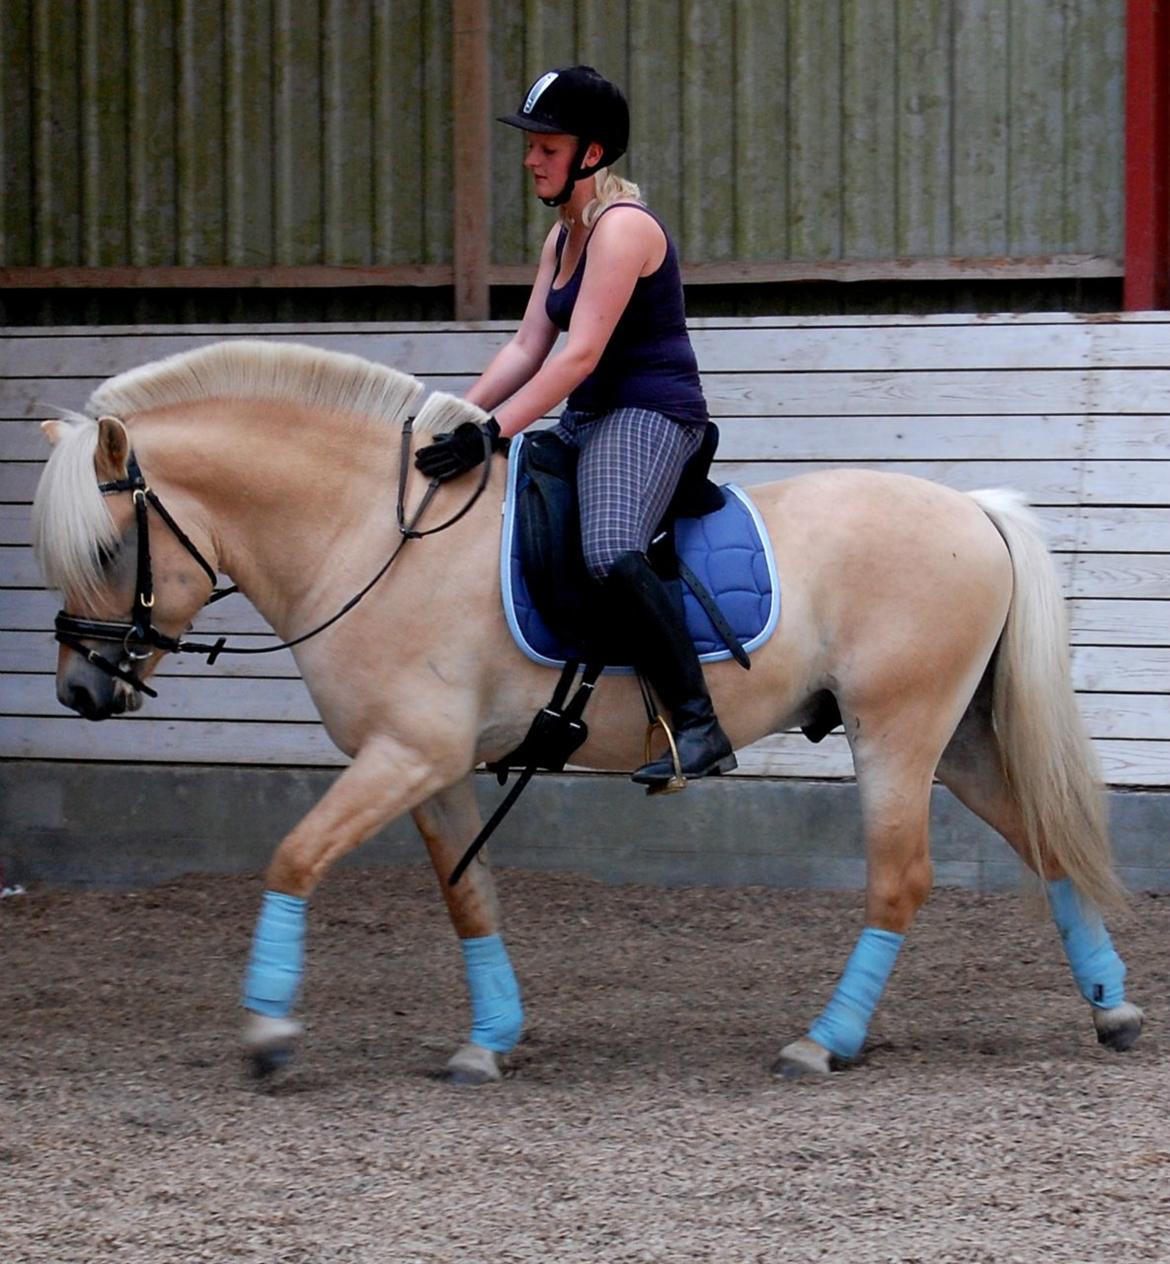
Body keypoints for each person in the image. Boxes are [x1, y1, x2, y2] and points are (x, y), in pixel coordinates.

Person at [415, 65, 735, 788]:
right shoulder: (563, 240)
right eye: (530, 145)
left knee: (609, 547)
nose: (530, 158)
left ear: (591, 153)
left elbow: (580, 353)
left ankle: (698, 721)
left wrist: (494, 431)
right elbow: (526, 347)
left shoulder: (625, 230)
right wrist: (455, 419)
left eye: (546, 146)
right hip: (588, 418)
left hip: (652, 414)